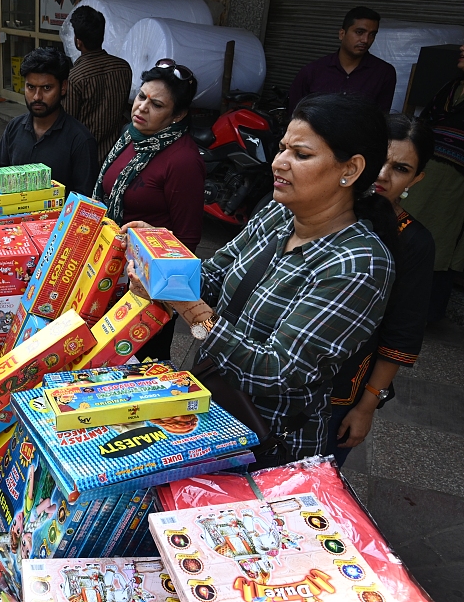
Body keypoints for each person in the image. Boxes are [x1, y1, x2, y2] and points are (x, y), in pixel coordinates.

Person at [126, 93, 396, 463]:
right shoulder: (277, 214)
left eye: (301, 154)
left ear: (350, 169)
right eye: (282, 148)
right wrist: (159, 257)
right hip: (212, 407)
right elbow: (214, 276)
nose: (279, 163)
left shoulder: (358, 264)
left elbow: (274, 371)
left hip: (269, 438)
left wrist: (187, 306)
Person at [327, 114, 435, 466]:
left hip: (339, 389)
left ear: (416, 179)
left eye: (401, 169)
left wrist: (366, 406)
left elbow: (401, 333)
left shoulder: (413, 242)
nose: (383, 175)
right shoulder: (320, 207)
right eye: (380, 160)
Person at [93, 59, 204, 360]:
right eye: (141, 96)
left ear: (178, 115)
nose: (142, 108)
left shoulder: (183, 161)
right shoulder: (132, 136)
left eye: (156, 105)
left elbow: (187, 240)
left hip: (148, 289)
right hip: (111, 272)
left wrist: (156, 276)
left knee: (140, 366)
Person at [401, 44, 464, 332]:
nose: (461, 47)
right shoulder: (451, 87)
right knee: (407, 233)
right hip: (423, 175)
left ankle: (425, 312)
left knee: (439, 243)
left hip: (453, 187)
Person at [0, 47, 97, 196]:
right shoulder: (14, 128)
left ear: (63, 87)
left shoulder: (80, 140)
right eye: (31, 87)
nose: (37, 96)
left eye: (46, 88)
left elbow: (85, 200)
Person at [287, 6, 397, 113]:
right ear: (342, 34)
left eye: (372, 34)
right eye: (359, 32)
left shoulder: (384, 73)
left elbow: (381, 119)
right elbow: (295, 116)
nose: (365, 40)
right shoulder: (312, 72)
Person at [62, 5, 133, 164]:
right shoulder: (123, 68)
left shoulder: (75, 77)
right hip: (115, 155)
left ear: (78, 42)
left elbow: (68, 124)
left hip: (85, 158)